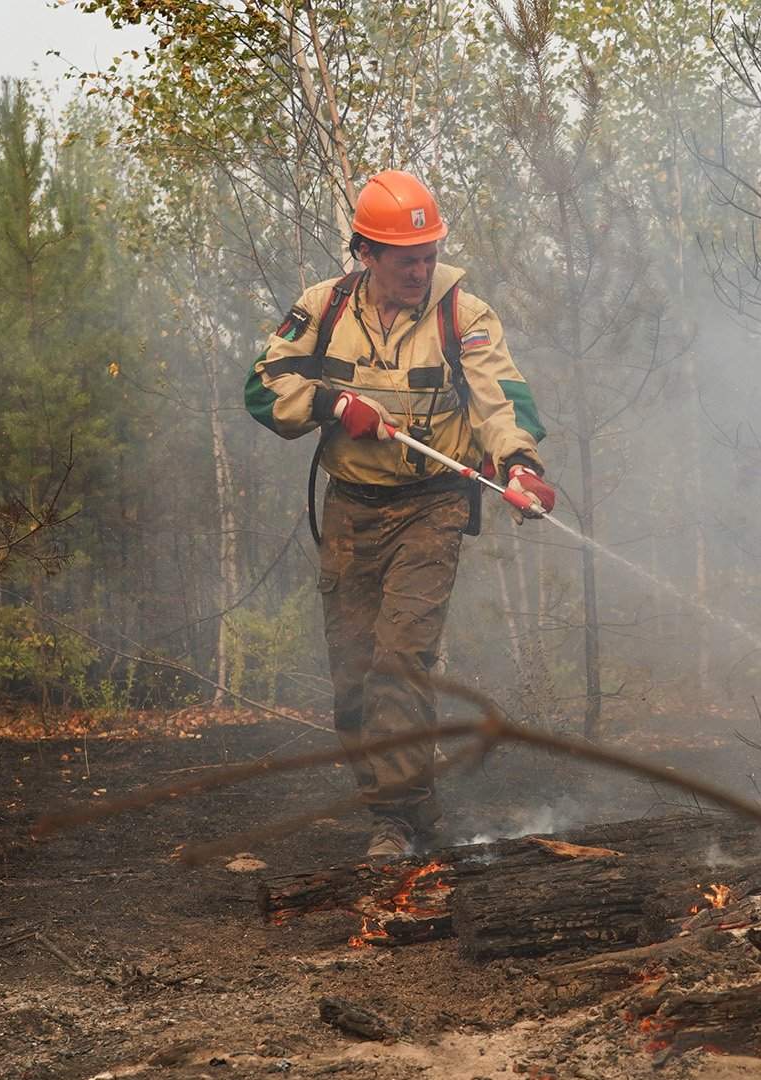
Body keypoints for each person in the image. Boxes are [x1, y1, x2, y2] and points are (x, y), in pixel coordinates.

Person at [244, 170, 556, 858]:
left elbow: (498, 397)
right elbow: (264, 386)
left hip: (432, 507)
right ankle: (391, 808)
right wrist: (331, 405)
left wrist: (520, 465)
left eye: (430, 253)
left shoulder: (462, 315)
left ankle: (404, 822)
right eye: (407, 258)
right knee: (353, 677)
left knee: (398, 660)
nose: (422, 268)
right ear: (367, 253)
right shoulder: (321, 308)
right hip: (352, 510)